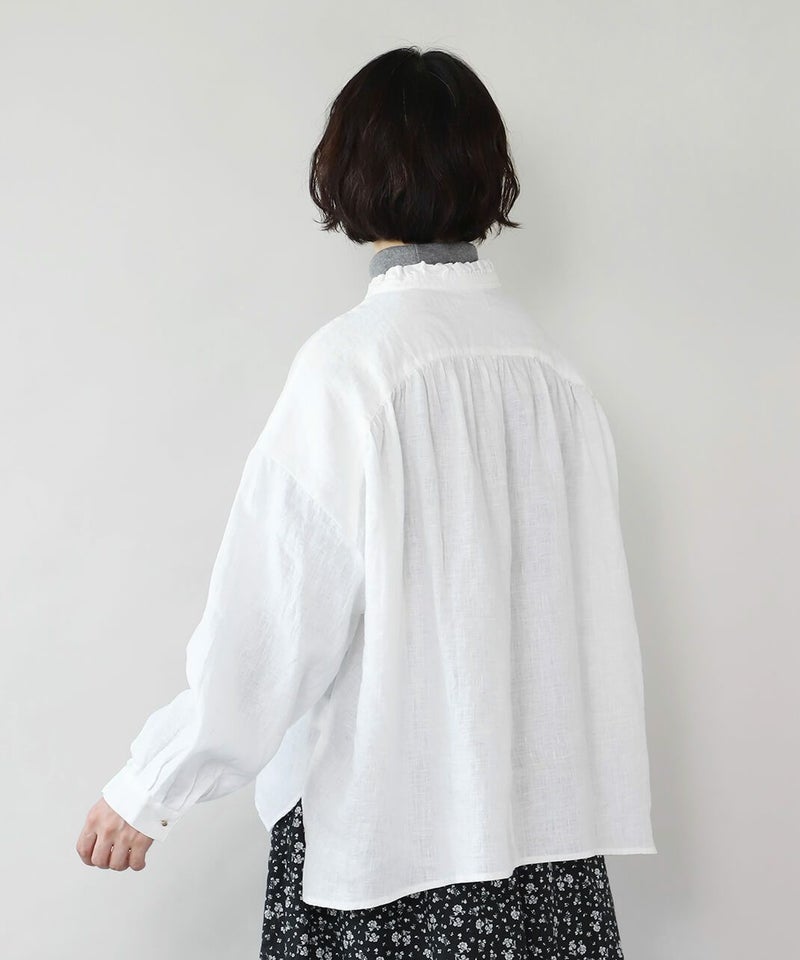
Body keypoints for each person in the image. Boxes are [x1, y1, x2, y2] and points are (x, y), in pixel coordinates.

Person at [76, 46, 656, 959]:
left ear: (350, 173)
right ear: (486, 173)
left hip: (390, 856)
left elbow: (272, 619)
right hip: (546, 857)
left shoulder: (351, 371)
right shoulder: (553, 377)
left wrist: (151, 786)